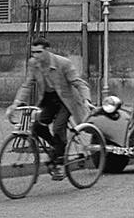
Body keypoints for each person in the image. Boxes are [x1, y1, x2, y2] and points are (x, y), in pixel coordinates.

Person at [6, 37, 92, 180]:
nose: (36, 56)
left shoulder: (63, 63)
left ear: (47, 51)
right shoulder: (33, 63)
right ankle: (57, 147)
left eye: (39, 52)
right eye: (33, 52)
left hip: (66, 100)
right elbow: (27, 84)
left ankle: (58, 160)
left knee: (58, 127)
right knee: (37, 126)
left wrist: (86, 100)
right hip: (48, 99)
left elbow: (79, 83)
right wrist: (15, 104)